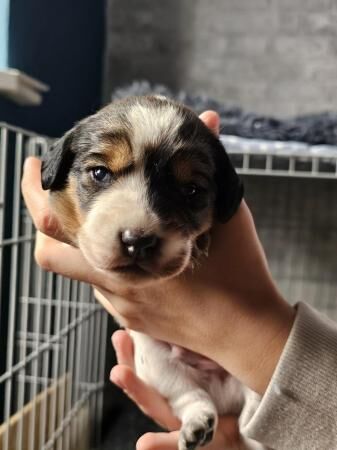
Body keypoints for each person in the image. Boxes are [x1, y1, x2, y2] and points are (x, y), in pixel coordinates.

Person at [21, 111, 337, 450]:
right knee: (147, 354)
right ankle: (193, 406)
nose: (140, 232)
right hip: (200, 385)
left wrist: (253, 333)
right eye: (100, 173)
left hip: (259, 388)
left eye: (190, 190)